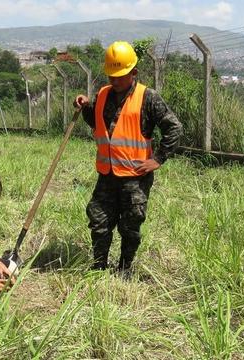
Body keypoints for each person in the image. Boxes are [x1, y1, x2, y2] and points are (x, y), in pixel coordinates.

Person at [73, 41, 183, 275]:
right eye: (111, 75)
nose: (115, 80)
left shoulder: (148, 98)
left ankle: (124, 268)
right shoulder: (103, 94)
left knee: (130, 224)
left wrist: (159, 158)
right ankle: (99, 266)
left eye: (120, 75)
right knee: (99, 220)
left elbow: (174, 127)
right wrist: (84, 106)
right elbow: (96, 121)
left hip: (135, 176)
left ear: (134, 72)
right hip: (107, 174)